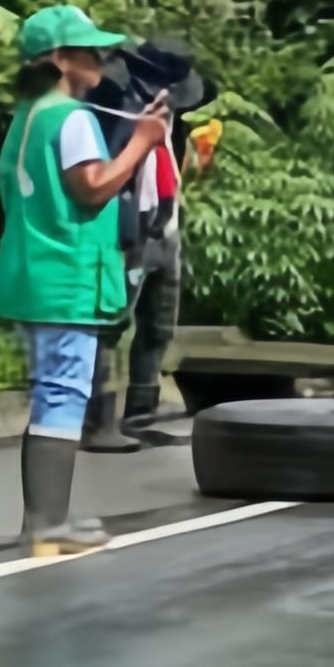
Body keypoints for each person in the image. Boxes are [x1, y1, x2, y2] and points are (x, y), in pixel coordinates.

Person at [0, 4, 171, 556]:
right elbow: (91, 188)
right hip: (66, 276)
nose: (100, 58)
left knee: (53, 390)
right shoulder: (71, 119)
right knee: (63, 392)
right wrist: (142, 142)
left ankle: (43, 521)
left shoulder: (29, 116)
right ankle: (48, 525)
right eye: (88, 49)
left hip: (32, 274)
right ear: (58, 59)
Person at [81, 43, 217, 454]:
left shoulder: (173, 119)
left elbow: (170, 163)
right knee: (111, 323)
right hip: (128, 226)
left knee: (158, 325)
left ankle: (142, 417)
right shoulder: (117, 110)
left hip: (165, 224)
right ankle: (97, 419)